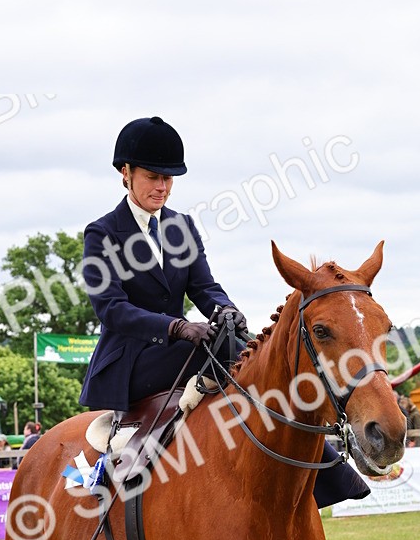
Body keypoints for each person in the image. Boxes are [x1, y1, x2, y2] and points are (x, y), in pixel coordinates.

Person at [79, 115, 369, 508]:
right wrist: (177, 327)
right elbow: (112, 309)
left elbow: (204, 287)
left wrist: (227, 310)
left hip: (182, 349)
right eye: (152, 177)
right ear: (125, 173)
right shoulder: (102, 233)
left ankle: (318, 474)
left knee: (247, 349)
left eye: (169, 179)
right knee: (215, 350)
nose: (162, 187)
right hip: (131, 358)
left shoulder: (181, 226)